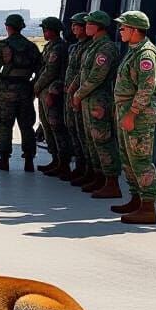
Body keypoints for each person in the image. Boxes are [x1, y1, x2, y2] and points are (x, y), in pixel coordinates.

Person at [112, 11, 156, 225]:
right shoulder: (133, 51)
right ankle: (136, 199)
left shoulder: (145, 55)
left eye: (123, 27)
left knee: (141, 161)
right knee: (128, 160)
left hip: (139, 115)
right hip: (127, 111)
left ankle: (148, 207)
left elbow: (146, 88)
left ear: (134, 30)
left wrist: (132, 114)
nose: (120, 31)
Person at [72, 10, 122, 199]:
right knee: (91, 140)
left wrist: (78, 94)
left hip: (99, 100)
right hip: (89, 99)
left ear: (98, 26)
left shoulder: (105, 48)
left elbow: (96, 76)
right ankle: (99, 176)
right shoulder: (94, 46)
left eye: (89, 24)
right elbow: (83, 72)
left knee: (103, 140)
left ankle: (112, 182)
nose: (86, 27)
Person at [0, 13, 43, 172]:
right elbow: (40, 69)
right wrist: (31, 84)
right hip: (25, 90)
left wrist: (4, 81)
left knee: (5, 125)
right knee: (27, 126)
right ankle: (29, 162)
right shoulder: (31, 47)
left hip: (7, 91)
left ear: (8, 27)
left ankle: (4, 159)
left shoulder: (3, 46)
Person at [35, 17, 70, 178]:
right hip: (45, 91)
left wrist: (36, 87)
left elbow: (50, 71)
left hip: (52, 92)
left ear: (53, 30)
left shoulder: (58, 48)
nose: (44, 32)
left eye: (46, 29)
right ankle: (55, 159)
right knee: (47, 126)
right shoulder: (50, 46)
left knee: (56, 127)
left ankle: (63, 162)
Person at [62, 13, 92, 185]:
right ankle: (79, 168)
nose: (74, 28)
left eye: (77, 25)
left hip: (80, 96)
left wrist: (75, 91)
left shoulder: (89, 48)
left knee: (83, 135)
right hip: (71, 94)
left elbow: (84, 74)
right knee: (73, 132)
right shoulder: (76, 47)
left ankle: (87, 169)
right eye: (72, 25)